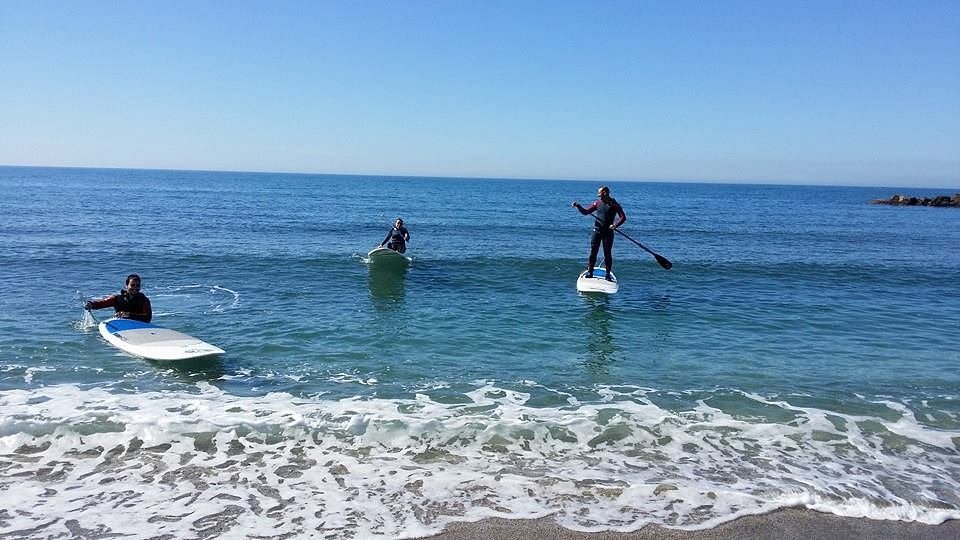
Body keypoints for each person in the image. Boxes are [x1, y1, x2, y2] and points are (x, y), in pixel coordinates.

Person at [572, 186, 627, 280]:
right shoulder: (598, 203)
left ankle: (607, 275)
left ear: (605, 193)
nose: (598, 196)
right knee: (593, 252)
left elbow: (623, 217)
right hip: (597, 230)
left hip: (608, 232)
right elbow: (586, 212)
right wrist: (578, 206)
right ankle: (590, 272)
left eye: (599, 194)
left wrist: (615, 225)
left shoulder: (614, 204)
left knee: (607, 253)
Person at [85, 274, 153, 323]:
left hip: (140, 327)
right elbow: (100, 304)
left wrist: (128, 315)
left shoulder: (144, 300)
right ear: (126, 286)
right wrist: (91, 304)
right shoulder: (117, 299)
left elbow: (147, 318)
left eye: (137, 285)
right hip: (121, 327)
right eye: (132, 285)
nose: (135, 288)